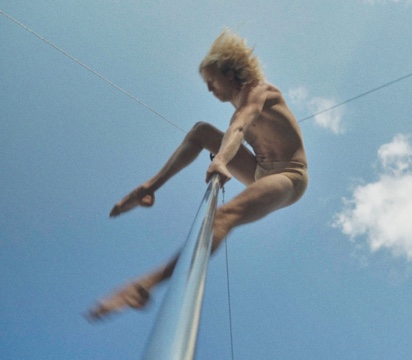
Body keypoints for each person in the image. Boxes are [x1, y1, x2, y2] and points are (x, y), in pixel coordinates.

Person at [87, 29, 308, 321]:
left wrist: (222, 162)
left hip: (289, 176)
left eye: (210, 80)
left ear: (230, 73)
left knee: (221, 217)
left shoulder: (260, 92)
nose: (208, 89)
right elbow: (234, 129)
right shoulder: (238, 100)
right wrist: (226, 159)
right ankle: (149, 188)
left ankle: (145, 286)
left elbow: (240, 126)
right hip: (259, 169)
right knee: (201, 130)